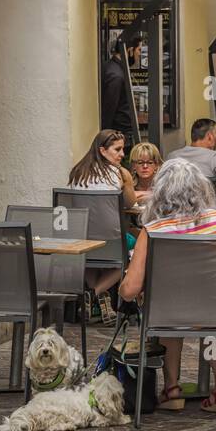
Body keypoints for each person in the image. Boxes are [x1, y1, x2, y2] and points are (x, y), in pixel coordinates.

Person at [118, 158, 216, 415]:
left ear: (160, 191)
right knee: (215, 321)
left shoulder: (152, 230)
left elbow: (129, 291)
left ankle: (172, 389)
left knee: (167, 313)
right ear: (201, 189)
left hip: (168, 310)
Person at [69, 129, 140, 319]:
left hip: (81, 241)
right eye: (117, 150)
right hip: (112, 241)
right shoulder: (120, 173)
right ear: (102, 150)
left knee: (90, 260)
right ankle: (97, 293)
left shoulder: (77, 172)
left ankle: (91, 292)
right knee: (134, 252)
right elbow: (130, 203)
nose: (122, 155)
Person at [101, 37, 141, 145]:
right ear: (130, 50)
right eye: (139, 50)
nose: (139, 54)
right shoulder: (116, 75)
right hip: (119, 133)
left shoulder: (115, 69)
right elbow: (109, 108)